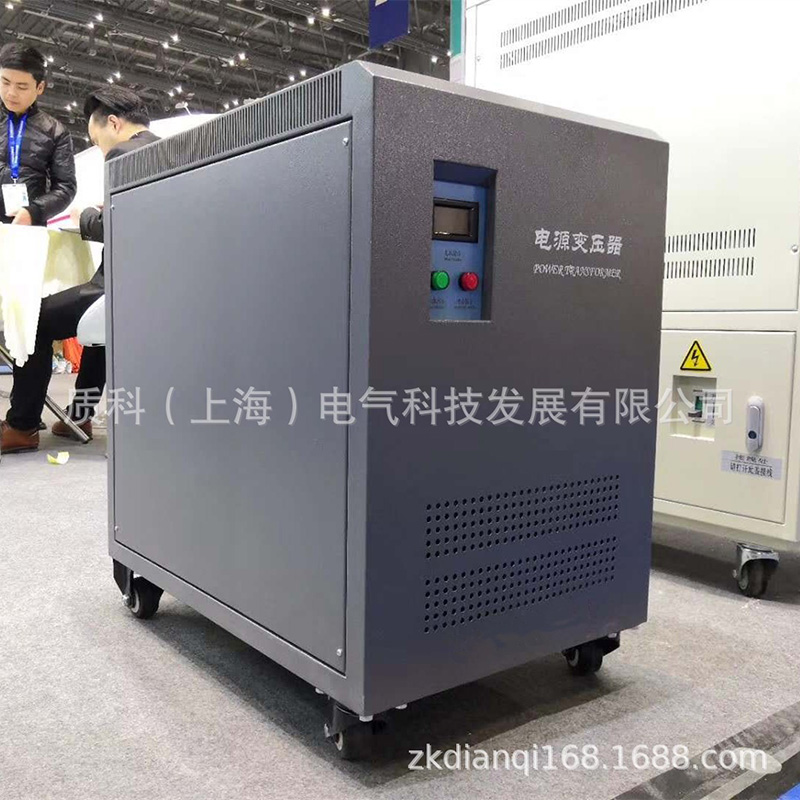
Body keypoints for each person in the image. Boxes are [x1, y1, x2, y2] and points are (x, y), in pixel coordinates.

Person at [1, 86, 159, 454]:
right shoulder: (165, 150)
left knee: (35, 320)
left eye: (96, 140)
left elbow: (120, 225)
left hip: (118, 285)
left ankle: (23, 425)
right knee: (98, 334)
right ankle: (79, 414)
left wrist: (86, 216)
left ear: (114, 124)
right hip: (148, 285)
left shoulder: (124, 153)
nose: (100, 148)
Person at [0, 44, 76, 226]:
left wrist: (34, 211)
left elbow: (65, 187)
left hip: (26, 229)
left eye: (21, 87)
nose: (11, 93)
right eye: (5, 82)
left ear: (40, 87)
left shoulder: (55, 132)